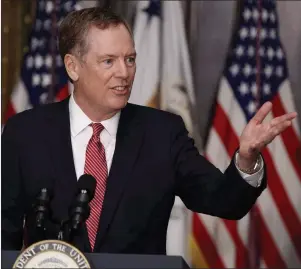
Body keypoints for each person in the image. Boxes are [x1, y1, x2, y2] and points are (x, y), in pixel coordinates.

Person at [1, 7, 297, 254]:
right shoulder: (25, 133)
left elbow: (223, 200)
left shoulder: (162, 133)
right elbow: (5, 234)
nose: (124, 73)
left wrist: (246, 159)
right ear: (73, 67)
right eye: (109, 61)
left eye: (130, 59)